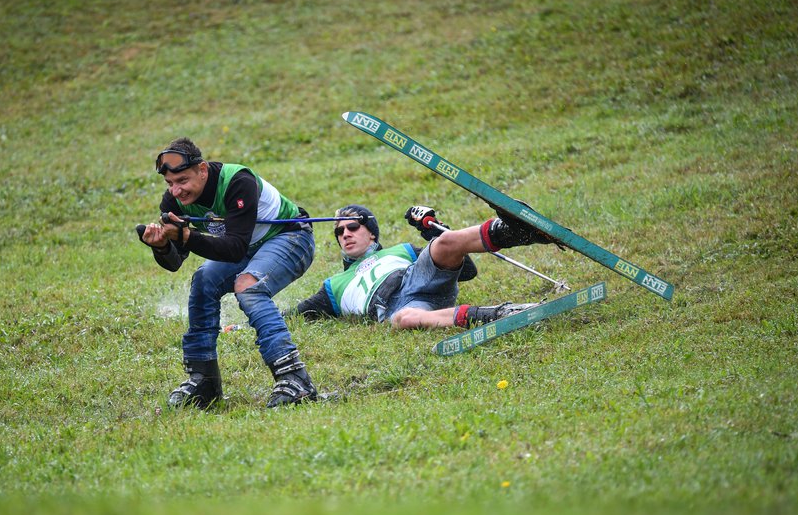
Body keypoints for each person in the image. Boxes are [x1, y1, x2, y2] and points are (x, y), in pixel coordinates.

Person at [138, 137, 317, 409]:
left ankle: (294, 379)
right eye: (170, 184)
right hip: (247, 247)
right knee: (203, 280)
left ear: (202, 170)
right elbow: (175, 263)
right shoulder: (173, 202)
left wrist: (187, 236)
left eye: (182, 181)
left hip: (290, 237)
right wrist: (162, 246)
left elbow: (234, 249)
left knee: (248, 286)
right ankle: (204, 382)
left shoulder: (237, 180)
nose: (176, 191)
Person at [291, 204, 553, 328]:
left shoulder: (400, 251)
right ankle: (501, 314)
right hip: (396, 307)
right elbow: (293, 317)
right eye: (339, 232)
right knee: (405, 320)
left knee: (446, 242)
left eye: (352, 227)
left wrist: (431, 230)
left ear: (371, 232)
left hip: (416, 277)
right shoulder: (332, 287)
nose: (345, 234)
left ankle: (519, 232)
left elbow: (467, 272)